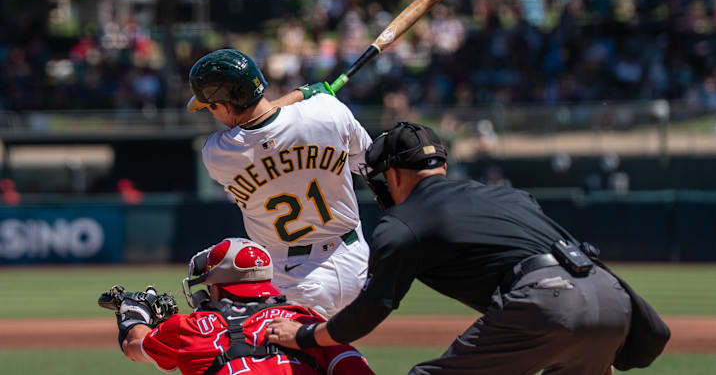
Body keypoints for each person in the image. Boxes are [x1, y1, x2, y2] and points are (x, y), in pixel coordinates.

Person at [267, 122, 639, 375]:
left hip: (546, 303)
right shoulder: (510, 197)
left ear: (393, 175)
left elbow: (369, 310)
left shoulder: (401, 224)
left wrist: (304, 335)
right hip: (614, 298)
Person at [186, 49, 372, 317]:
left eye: (211, 107)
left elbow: (259, 130)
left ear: (225, 105)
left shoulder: (217, 154)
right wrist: (312, 98)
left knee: (280, 356)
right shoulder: (328, 111)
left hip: (294, 280)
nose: (212, 114)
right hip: (358, 264)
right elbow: (366, 161)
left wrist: (303, 95)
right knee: (341, 356)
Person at [116, 237, 375, 375]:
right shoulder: (306, 324)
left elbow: (134, 347)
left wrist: (133, 313)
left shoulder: (190, 329)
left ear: (217, 287)